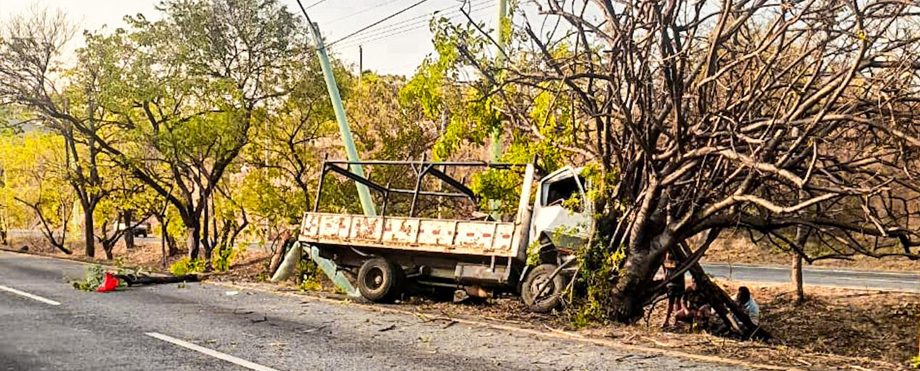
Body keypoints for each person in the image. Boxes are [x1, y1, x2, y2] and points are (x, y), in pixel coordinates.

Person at [661, 252, 685, 328]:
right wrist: (664, 274)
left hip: (679, 282)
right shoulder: (667, 254)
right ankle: (667, 320)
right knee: (671, 303)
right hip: (671, 283)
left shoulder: (679, 255)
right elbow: (665, 265)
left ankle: (676, 320)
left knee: (678, 302)